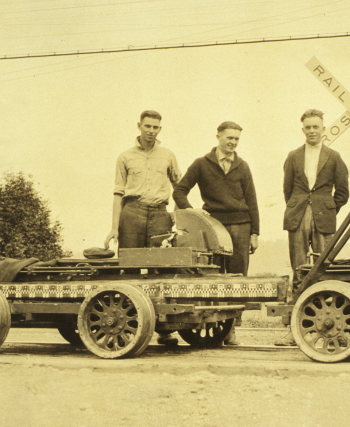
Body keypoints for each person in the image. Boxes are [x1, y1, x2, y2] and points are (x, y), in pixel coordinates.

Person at [173, 121, 259, 345]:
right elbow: (179, 191)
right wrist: (191, 211)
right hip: (213, 228)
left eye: (237, 139)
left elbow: (252, 201)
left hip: (241, 226)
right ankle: (212, 326)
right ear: (218, 136)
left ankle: (231, 330)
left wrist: (255, 233)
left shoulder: (243, 166)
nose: (233, 142)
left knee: (237, 278)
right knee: (213, 277)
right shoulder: (202, 164)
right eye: (229, 137)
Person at [275, 109, 349, 346]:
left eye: (316, 127)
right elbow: (288, 190)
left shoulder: (334, 157)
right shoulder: (293, 156)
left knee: (324, 270)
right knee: (299, 271)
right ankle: (296, 331)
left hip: (324, 218)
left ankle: (329, 329)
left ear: (323, 129)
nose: (312, 131)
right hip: (297, 216)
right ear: (303, 129)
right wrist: (299, 208)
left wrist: (327, 208)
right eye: (308, 127)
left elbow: (343, 192)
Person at [104, 110, 182, 250]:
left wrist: (176, 215)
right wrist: (114, 228)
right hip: (132, 215)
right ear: (139, 126)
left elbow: (180, 188)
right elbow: (118, 193)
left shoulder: (168, 155)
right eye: (147, 126)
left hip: (160, 215)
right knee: (130, 263)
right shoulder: (125, 157)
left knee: (163, 264)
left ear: (160, 129)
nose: (151, 131)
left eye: (155, 127)